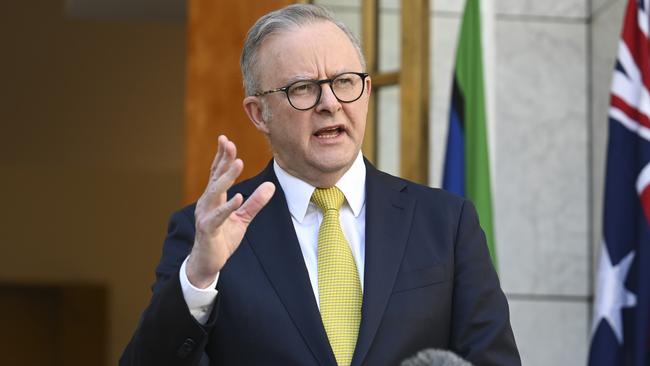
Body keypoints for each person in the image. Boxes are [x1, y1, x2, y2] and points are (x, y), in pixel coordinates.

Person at [121, 4, 520, 366]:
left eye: (345, 81)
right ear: (259, 114)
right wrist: (199, 280)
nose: (330, 102)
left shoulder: (446, 223)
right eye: (303, 88)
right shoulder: (203, 234)